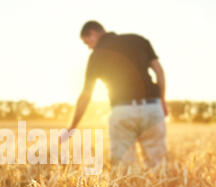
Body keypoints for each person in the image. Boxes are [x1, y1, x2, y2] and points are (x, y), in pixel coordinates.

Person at [62, 21, 168, 168]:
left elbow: (86, 95)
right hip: (151, 108)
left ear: (92, 33)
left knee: (123, 169)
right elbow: (159, 71)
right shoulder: (138, 40)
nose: (89, 47)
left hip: (122, 111)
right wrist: (162, 100)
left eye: (87, 43)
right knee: (158, 166)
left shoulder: (96, 55)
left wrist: (73, 125)